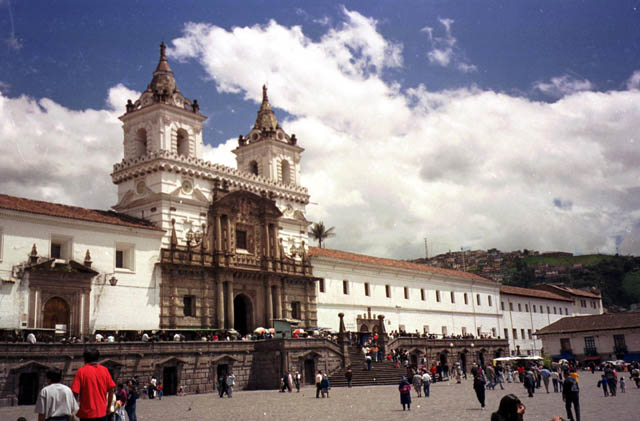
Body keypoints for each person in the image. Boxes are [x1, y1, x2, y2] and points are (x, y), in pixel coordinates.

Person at [71, 348, 115, 421]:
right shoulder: (105, 370)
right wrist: (109, 406)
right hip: (102, 412)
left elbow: (75, 393)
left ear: (85, 359)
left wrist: (72, 409)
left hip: (86, 414)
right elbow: (111, 389)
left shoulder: (81, 372)